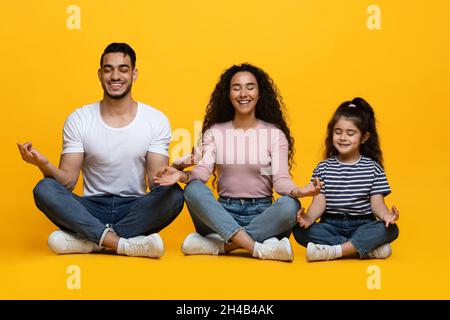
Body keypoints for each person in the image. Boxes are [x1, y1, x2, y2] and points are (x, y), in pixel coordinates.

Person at [17, 43, 184, 258]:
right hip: (90, 208)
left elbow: (156, 184)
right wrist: (43, 164)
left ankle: (91, 241)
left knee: (174, 195)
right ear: (100, 74)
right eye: (108, 69)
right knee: (44, 189)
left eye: (123, 69)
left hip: (134, 208)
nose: (115, 76)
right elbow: (67, 182)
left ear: (134, 74)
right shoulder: (79, 119)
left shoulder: (155, 120)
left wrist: (176, 169)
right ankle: (122, 244)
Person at [154, 63, 321, 262]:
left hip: (262, 214)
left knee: (291, 205)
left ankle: (221, 245)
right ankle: (257, 247)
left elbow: (281, 181)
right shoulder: (214, 132)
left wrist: (300, 191)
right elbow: (203, 172)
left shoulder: (275, 135)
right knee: (193, 189)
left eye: (250, 87)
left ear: (260, 94)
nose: (243, 93)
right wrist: (181, 174)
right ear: (228, 94)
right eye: (236, 88)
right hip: (222, 214)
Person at [292, 97, 399, 261]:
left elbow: (377, 204)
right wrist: (308, 218)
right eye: (338, 132)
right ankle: (361, 248)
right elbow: (318, 203)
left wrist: (386, 216)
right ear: (331, 133)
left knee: (391, 229)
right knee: (299, 230)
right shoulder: (323, 168)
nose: (343, 137)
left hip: (362, 225)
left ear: (364, 137)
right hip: (331, 225)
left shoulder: (373, 168)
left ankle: (334, 250)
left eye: (351, 133)